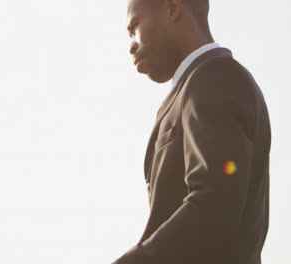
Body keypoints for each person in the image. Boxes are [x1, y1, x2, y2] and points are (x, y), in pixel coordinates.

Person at [112, 0, 271, 263]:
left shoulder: (216, 77)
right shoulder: (192, 88)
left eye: (135, 26)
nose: (131, 45)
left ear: (172, 8)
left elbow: (215, 207)